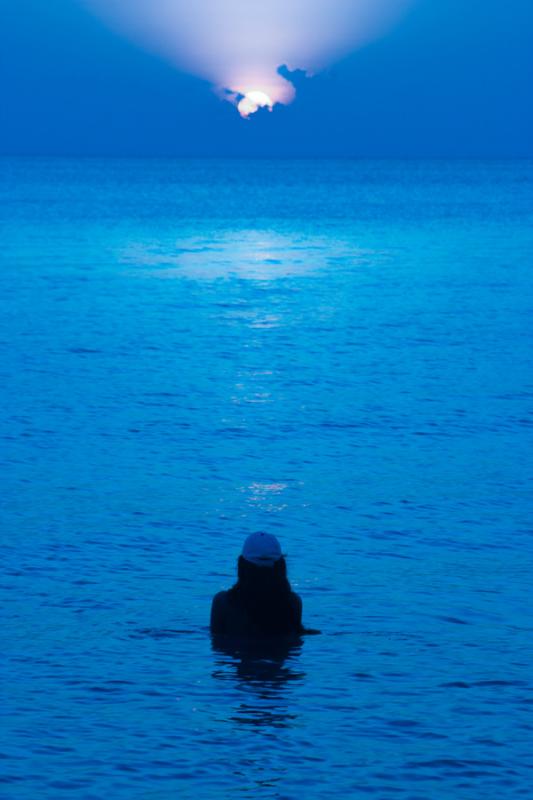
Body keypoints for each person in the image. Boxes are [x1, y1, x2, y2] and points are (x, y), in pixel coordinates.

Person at [210, 532, 303, 637]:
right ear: (281, 566)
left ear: (242, 565)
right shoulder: (293, 603)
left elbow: (217, 645)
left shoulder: (222, 602)